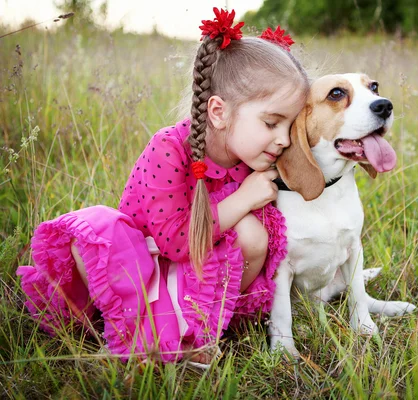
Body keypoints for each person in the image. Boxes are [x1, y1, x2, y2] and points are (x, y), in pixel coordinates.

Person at [16, 8, 309, 367]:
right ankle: (117, 324)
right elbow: (174, 242)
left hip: (194, 276)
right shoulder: (170, 148)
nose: (282, 140)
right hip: (142, 268)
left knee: (253, 233)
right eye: (271, 122)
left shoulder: (255, 155)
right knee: (96, 235)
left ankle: (199, 328)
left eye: (289, 127)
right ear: (218, 111)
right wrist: (244, 196)